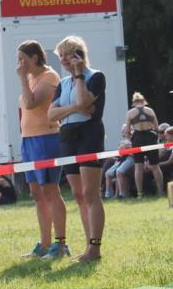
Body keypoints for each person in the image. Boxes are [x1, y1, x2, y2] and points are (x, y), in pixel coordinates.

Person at [48, 36, 107, 262]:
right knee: (78, 194)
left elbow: (85, 102)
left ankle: (95, 248)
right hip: (68, 136)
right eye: (60, 55)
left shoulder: (96, 77)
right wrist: (74, 108)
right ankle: (87, 245)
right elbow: (51, 115)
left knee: (91, 193)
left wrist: (80, 73)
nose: (63, 60)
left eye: (67, 54)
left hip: (89, 134)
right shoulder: (63, 83)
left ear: (78, 55)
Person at [15, 40, 69, 260]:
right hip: (29, 140)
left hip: (47, 139)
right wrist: (24, 78)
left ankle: (60, 243)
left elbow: (31, 104)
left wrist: (21, 78)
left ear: (35, 58)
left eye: (22, 59)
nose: (19, 64)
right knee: (37, 194)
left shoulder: (49, 77)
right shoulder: (29, 78)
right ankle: (45, 243)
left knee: (50, 190)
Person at [124, 92, 164, 198]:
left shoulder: (130, 113)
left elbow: (127, 130)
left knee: (138, 167)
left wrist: (128, 139)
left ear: (134, 103)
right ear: (143, 101)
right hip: (150, 137)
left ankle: (140, 194)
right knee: (155, 166)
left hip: (137, 139)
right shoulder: (150, 111)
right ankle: (161, 192)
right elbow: (157, 128)